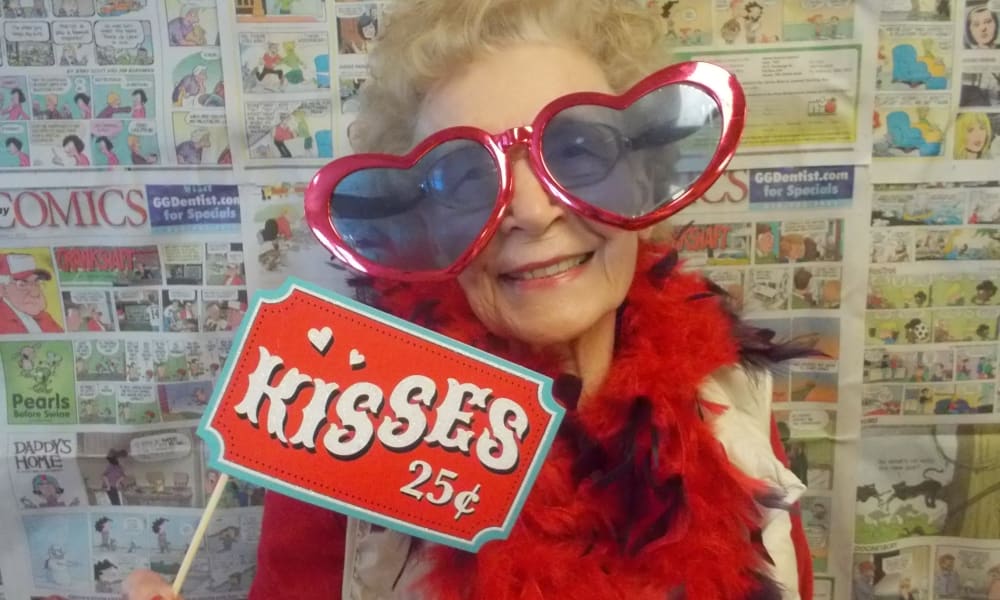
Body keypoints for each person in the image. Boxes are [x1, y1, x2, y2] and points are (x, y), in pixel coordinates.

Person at [124, 1, 812, 598]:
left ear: (642, 174)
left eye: (576, 151)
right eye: (465, 179)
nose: (534, 212)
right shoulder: (349, 426)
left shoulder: (730, 406)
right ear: (423, 229)